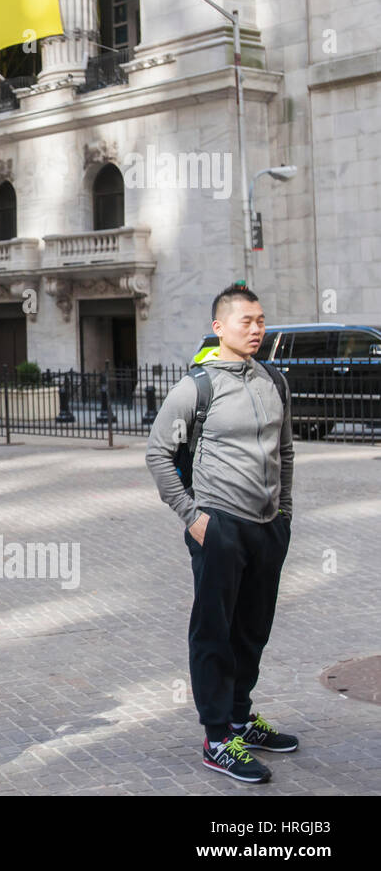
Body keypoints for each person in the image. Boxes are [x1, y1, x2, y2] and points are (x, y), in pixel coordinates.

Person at [146, 283, 297, 785]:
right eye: (245, 321)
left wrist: (286, 515)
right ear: (219, 327)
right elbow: (157, 455)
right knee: (215, 631)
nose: (256, 329)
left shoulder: (274, 380)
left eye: (260, 320)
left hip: (267, 527)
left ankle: (239, 718)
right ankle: (215, 738)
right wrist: (193, 516)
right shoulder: (196, 387)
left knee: (253, 629)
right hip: (219, 525)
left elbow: (287, 453)